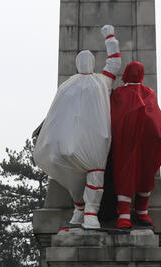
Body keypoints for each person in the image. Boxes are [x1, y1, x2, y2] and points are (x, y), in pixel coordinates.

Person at [33, 24, 121, 229]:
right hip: (98, 140)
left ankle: (79, 210)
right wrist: (110, 37)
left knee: (74, 178)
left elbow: (54, 115)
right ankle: (89, 213)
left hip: (72, 140)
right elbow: (114, 63)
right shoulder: (101, 81)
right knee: (95, 174)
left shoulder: (68, 85)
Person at [109, 61, 161, 230]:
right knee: (145, 173)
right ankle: (142, 211)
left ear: (125, 74)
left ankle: (124, 215)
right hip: (146, 141)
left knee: (125, 173)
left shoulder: (119, 93)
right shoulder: (149, 93)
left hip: (125, 140)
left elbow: (113, 116)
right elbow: (156, 118)